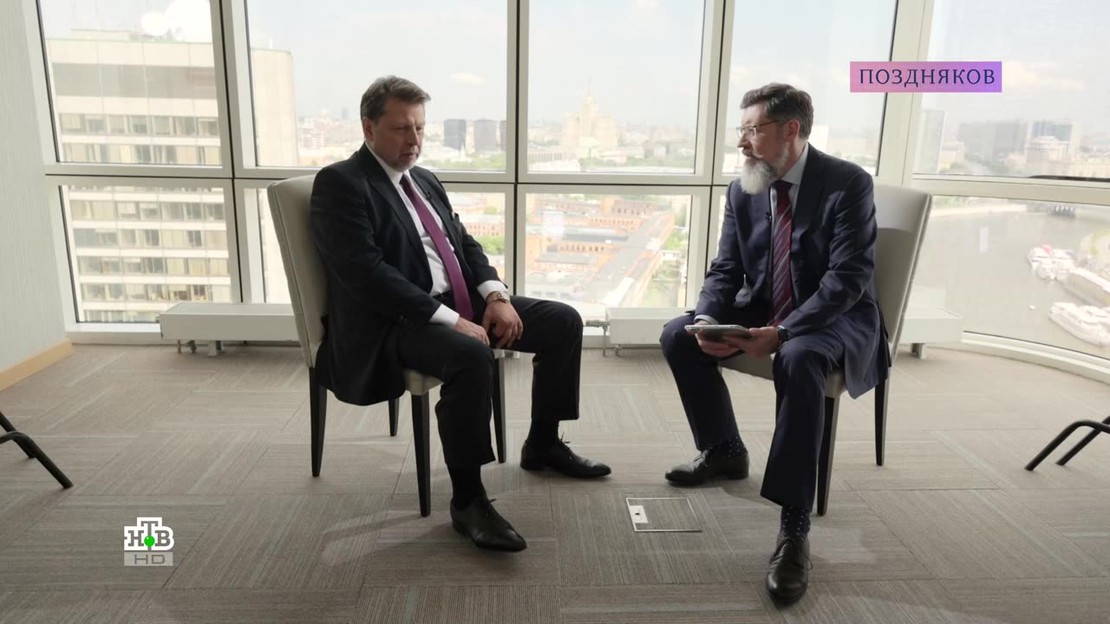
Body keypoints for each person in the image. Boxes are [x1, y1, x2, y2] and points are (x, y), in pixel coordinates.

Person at [311, 76, 610, 553]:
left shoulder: (424, 179)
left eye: (420, 128)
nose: (414, 140)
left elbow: (464, 244)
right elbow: (366, 275)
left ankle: (543, 444)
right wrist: (452, 320)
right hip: (392, 320)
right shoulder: (342, 184)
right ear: (368, 128)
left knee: (563, 321)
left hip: (457, 300)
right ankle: (468, 500)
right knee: (471, 356)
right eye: (401, 129)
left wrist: (495, 295)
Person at [659, 83, 889, 602]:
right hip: (766, 302)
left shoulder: (847, 183)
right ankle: (724, 449)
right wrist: (708, 319)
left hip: (836, 315)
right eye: (740, 130)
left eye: (752, 130)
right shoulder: (743, 188)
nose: (741, 142)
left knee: (799, 357)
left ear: (791, 130)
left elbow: (848, 279)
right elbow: (726, 268)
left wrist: (784, 332)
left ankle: (794, 527)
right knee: (678, 335)